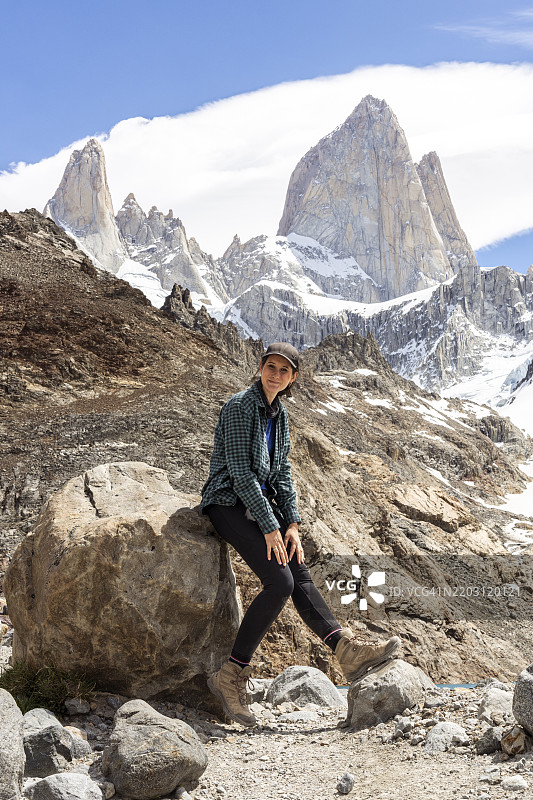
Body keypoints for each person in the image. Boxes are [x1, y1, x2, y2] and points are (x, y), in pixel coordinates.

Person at [200, 342, 401, 726]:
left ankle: (344, 651)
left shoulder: (280, 414)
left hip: (256, 505)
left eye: (284, 370)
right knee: (279, 582)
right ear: (260, 368)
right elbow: (242, 475)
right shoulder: (241, 407)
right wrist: (270, 525)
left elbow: (281, 475)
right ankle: (230, 677)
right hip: (226, 502)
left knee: (299, 572)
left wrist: (290, 524)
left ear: (293, 378)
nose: (275, 374)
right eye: (270, 367)